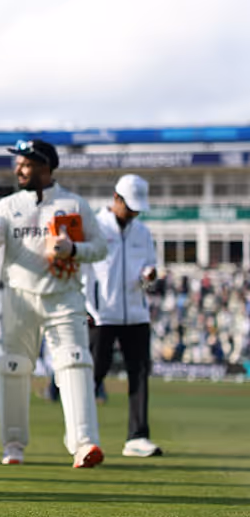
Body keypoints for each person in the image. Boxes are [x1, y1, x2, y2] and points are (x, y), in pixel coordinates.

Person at [0, 139, 108, 468]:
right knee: (14, 366)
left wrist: (73, 250)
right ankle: (13, 445)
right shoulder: (8, 205)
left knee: (74, 362)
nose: (19, 169)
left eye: (25, 164)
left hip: (65, 295)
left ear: (45, 167)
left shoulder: (73, 204)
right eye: (18, 164)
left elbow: (100, 248)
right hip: (19, 296)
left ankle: (84, 444)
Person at [85, 174, 162, 458]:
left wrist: (148, 275)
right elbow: (84, 270)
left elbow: (149, 266)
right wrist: (86, 307)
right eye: (130, 206)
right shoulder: (93, 226)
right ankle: (83, 435)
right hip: (101, 314)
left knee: (140, 373)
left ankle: (137, 437)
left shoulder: (142, 232)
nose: (134, 213)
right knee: (94, 373)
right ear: (115, 199)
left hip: (136, 313)